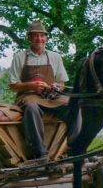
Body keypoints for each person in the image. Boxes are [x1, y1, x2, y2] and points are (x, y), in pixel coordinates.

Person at [8, 20, 72, 164]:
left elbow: (62, 82)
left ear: (46, 38)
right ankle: (40, 154)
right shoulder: (20, 57)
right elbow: (13, 85)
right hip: (27, 96)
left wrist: (56, 87)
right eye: (35, 36)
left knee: (73, 105)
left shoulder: (55, 57)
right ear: (29, 38)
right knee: (31, 108)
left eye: (42, 36)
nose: (39, 39)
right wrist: (31, 85)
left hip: (50, 97)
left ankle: (74, 149)